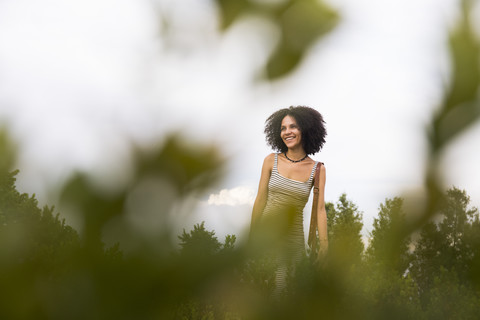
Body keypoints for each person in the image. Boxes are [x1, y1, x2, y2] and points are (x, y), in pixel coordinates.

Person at [249, 105, 328, 295]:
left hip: (294, 246)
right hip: (266, 241)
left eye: (293, 127)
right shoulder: (271, 160)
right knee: (262, 297)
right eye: (283, 128)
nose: (287, 132)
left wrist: (324, 245)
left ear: (306, 130)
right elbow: (260, 199)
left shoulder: (317, 169)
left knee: (287, 300)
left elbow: (320, 209)